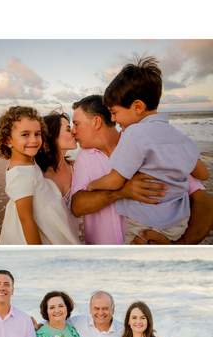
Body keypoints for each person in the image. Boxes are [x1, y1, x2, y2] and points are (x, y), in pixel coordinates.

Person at [83, 57, 208, 243]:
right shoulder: (181, 138)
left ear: (138, 107)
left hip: (144, 221)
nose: (114, 119)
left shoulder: (134, 133)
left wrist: (92, 185)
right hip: (178, 224)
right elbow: (203, 173)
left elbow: (115, 181)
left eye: (115, 112)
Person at [0, 106, 80, 244]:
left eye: (37, 134)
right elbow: (26, 219)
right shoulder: (20, 174)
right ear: (7, 141)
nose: (34, 140)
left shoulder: (28, 162)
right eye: (25, 134)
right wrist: (39, 254)